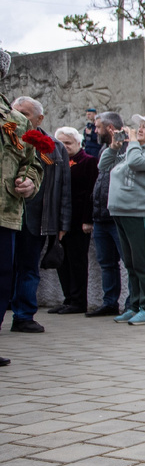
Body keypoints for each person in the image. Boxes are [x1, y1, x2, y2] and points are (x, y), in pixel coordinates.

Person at [99, 113, 145, 326]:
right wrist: (114, 147)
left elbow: (135, 162)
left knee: (142, 263)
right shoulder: (134, 150)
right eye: (139, 126)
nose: (139, 129)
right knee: (130, 264)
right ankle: (134, 305)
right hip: (122, 212)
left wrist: (131, 142)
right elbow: (103, 166)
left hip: (142, 213)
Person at [8, 97, 70, 334]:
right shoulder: (7, 138)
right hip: (7, 215)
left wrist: (63, 223)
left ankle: (23, 316)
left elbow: (63, 188)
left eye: (25, 113)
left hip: (36, 219)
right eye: (15, 112)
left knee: (28, 269)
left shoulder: (54, 147)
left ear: (39, 118)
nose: (19, 117)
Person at [0, 51, 44, 365]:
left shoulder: (16, 121)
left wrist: (29, 180)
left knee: (2, 280)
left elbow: (32, 163)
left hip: (5, 214)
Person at [51, 127, 98, 314]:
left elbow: (91, 193)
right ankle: (68, 298)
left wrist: (88, 219)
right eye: (61, 143)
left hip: (79, 221)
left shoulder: (88, 162)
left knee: (77, 261)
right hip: (60, 221)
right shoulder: (56, 161)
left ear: (78, 143)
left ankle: (78, 301)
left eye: (68, 143)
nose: (64, 146)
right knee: (62, 261)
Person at [86, 112, 129, 317]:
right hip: (101, 216)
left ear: (110, 128)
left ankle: (133, 303)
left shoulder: (129, 148)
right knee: (106, 263)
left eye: (98, 127)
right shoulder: (105, 148)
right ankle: (110, 303)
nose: (95, 131)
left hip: (118, 216)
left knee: (130, 262)